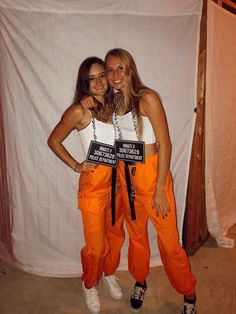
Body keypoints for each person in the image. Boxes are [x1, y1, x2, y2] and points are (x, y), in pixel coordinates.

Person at [104, 48, 197, 314]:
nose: (115, 75)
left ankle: (188, 292)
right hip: (127, 178)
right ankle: (140, 280)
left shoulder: (148, 98)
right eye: (110, 70)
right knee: (137, 237)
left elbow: (165, 143)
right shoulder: (113, 103)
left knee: (169, 243)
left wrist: (159, 190)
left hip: (152, 177)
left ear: (130, 68)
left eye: (120, 68)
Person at [47, 56, 125, 314]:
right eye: (91, 78)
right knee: (96, 246)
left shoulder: (117, 105)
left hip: (118, 183)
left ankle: (109, 272)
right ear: (84, 82)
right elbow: (54, 140)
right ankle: (89, 282)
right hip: (93, 186)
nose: (99, 82)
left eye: (102, 75)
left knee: (115, 236)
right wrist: (76, 165)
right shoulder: (79, 110)